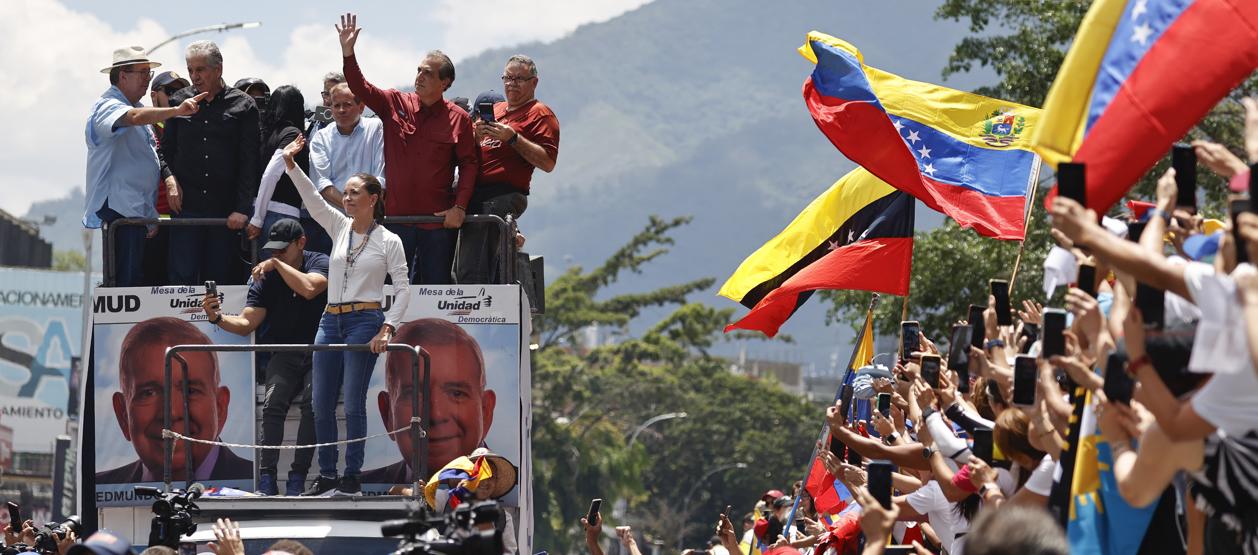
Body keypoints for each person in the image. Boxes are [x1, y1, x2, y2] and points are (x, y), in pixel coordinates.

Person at [278, 134, 410, 496]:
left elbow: (403, 287)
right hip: (329, 318)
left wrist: (388, 328)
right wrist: (292, 165)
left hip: (364, 321)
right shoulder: (339, 227)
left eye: (354, 193)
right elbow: (312, 199)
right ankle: (328, 475)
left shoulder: (389, 240)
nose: (347, 197)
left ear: (373, 199)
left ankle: (351, 475)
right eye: (346, 192)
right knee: (320, 402)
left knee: (352, 403)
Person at [336, 13, 478, 285]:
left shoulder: (459, 118)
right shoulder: (395, 102)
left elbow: (470, 165)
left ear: (445, 83)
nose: (420, 76)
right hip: (396, 222)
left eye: (428, 73)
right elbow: (360, 87)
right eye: (419, 70)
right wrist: (348, 53)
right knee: (390, 292)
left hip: (436, 224)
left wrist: (459, 207)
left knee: (434, 291)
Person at [201, 218, 329, 496]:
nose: (276, 255)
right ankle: (268, 476)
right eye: (273, 251)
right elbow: (247, 323)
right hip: (284, 352)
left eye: (283, 250)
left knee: (314, 404)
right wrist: (217, 317)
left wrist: (276, 265)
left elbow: (310, 288)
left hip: (320, 352)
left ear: (302, 243)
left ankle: (298, 476)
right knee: (272, 405)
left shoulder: (319, 261)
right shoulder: (267, 276)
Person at [84, 46, 207, 287]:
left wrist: (149, 213)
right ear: (123, 76)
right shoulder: (107, 105)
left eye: (148, 74)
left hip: (134, 210)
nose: (146, 79)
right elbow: (132, 119)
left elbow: (147, 156)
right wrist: (175, 111)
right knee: (124, 283)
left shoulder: (139, 107)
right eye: (142, 73)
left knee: (135, 281)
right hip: (119, 209)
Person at [96, 317, 251, 483]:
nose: (172, 412)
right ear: (123, 415)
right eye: (148, 393)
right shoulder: (101, 486)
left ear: (220, 407)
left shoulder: (255, 486)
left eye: (190, 391)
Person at [161, 40, 261, 286]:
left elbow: (250, 162)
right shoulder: (177, 102)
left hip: (225, 213)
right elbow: (164, 152)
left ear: (218, 69)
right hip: (186, 209)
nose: (194, 76)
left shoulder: (244, 105)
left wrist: (242, 208)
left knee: (220, 279)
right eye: (190, 70)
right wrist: (170, 178)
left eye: (200, 70)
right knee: (181, 279)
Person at [459, 55, 560, 284]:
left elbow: (548, 162)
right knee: (465, 263)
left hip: (502, 195)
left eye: (519, 79)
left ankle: (477, 315)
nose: (511, 83)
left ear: (534, 83)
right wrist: (475, 137)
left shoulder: (540, 113)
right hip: (474, 193)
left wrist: (513, 138)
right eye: (507, 77)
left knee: (474, 268)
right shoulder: (497, 109)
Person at [360, 318, 498, 484]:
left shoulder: (509, 483)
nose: (436, 414)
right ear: (387, 413)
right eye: (413, 394)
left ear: (486, 411)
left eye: (456, 393)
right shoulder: (364, 486)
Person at [308, 83, 385, 224]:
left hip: (369, 219)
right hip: (333, 221)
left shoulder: (375, 129)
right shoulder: (321, 137)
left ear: (361, 107)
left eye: (347, 105)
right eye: (336, 106)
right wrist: (353, 206)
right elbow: (322, 184)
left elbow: (380, 177)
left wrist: (362, 209)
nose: (341, 110)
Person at [248, 85, 310, 256]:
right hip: (280, 217)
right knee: (278, 278)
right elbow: (271, 174)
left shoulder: (263, 133)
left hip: (257, 209)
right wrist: (258, 219)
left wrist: (256, 215)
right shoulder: (292, 134)